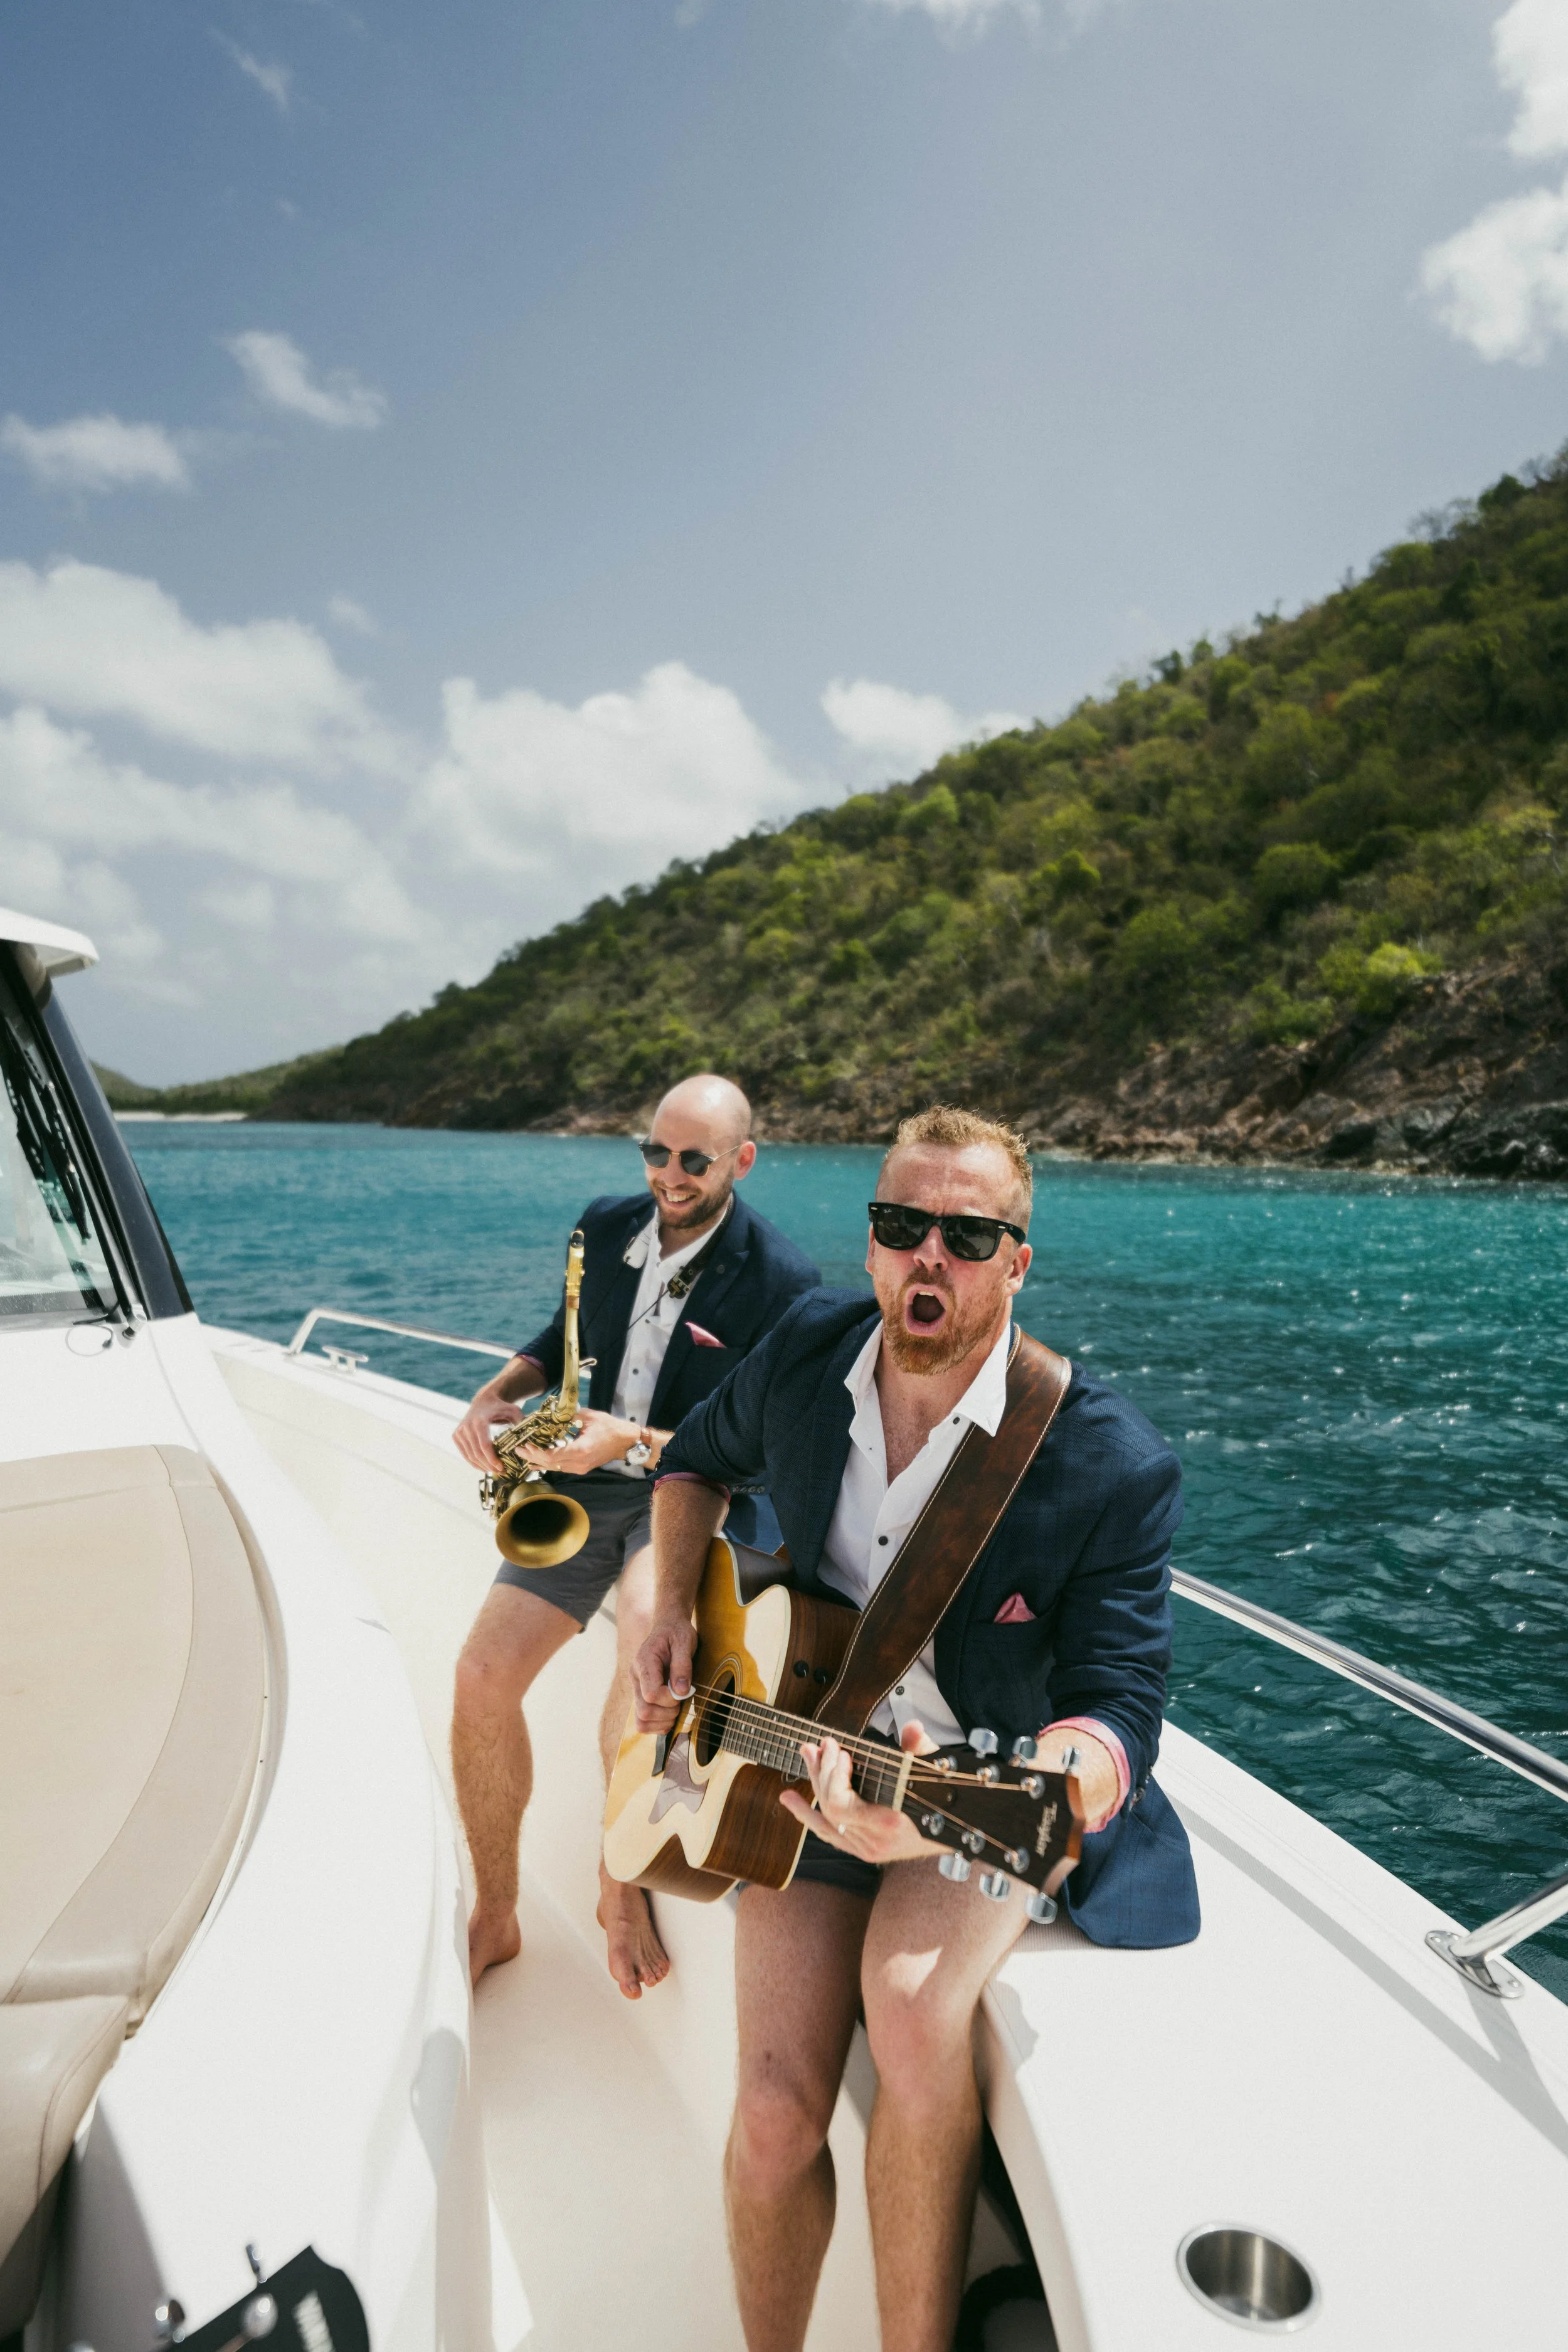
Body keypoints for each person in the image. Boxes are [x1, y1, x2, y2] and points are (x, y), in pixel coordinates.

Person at [632, 1104, 1199, 2352]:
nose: (926, 1256)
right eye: (901, 1225)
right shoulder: (802, 1352)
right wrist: (668, 1600)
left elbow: (1114, 1715)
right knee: (775, 2114)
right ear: (873, 1239)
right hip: (806, 1740)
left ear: (1014, 1260)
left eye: (965, 1232)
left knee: (906, 2004)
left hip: (973, 1773)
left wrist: (953, 1800)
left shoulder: (1108, 1463)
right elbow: (689, 1459)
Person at [451, 1073, 818, 1996]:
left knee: (642, 1663)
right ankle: (496, 1912)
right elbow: (562, 1332)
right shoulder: (602, 1223)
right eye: (655, 1151)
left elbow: (763, 1455)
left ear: (742, 1159)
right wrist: (502, 1392)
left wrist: (633, 1441)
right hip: (580, 1488)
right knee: (480, 1676)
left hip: (688, 1497)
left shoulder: (785, 1281)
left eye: (694, 1158)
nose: (669, 1173)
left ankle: (618, 1883)